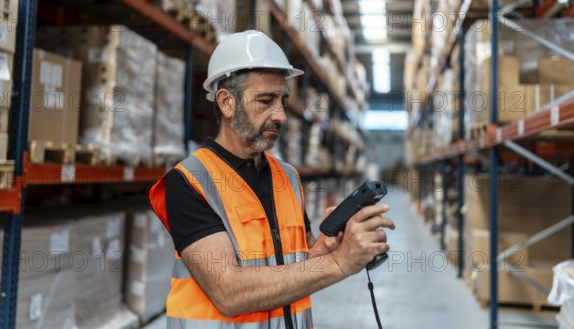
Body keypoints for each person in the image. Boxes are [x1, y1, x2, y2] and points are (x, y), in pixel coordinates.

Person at [148, 30, 395, 329]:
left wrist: (321, 252)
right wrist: (339, 262)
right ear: (227, 103)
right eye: (265, 101)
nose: (281, 115)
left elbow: (289, 265)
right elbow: (229, 292)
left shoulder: (287, 177)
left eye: (282, 100)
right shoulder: (189, 181)